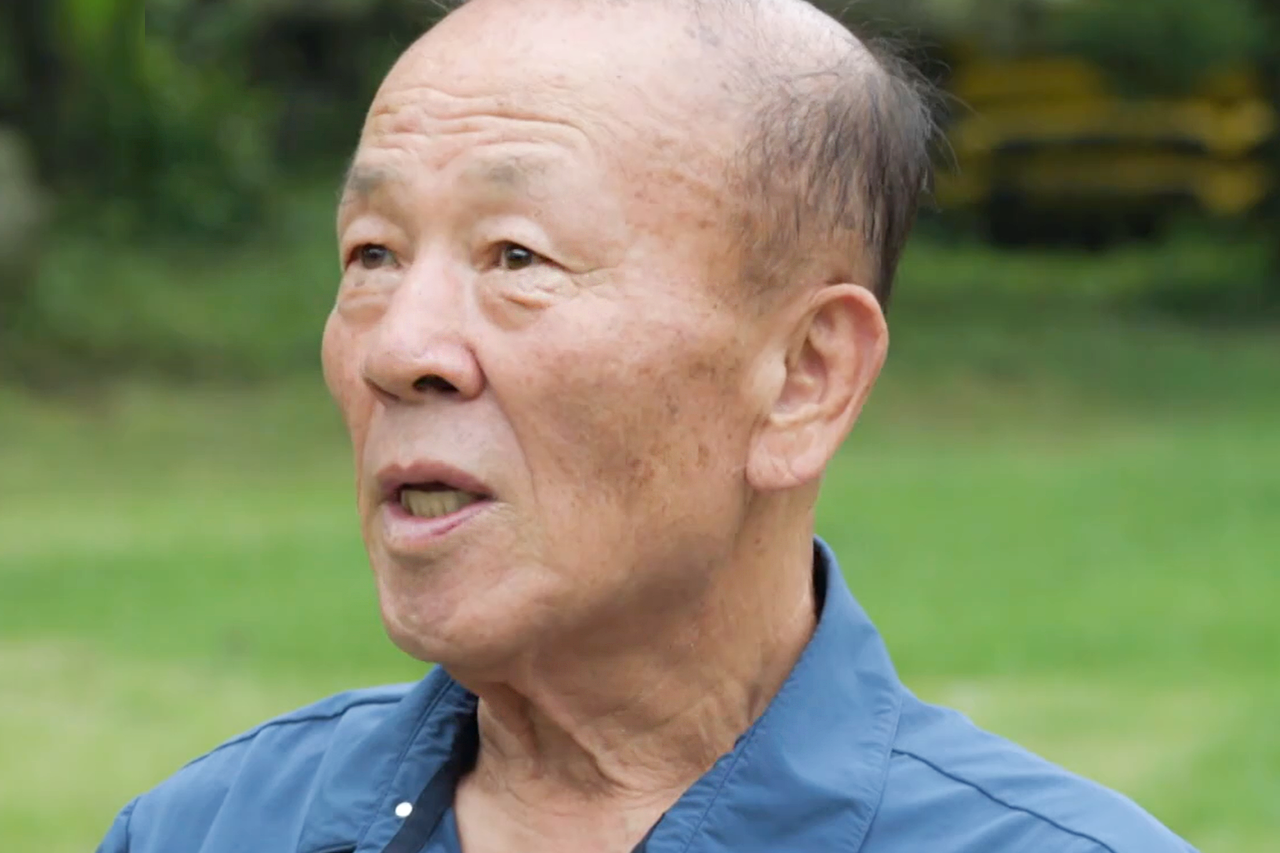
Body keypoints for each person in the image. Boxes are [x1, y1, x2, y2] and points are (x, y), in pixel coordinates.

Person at [97, 1, 1197, 851]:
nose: (397, 348)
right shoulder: (208, 828)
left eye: (516, 255)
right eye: (372, 253)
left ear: (803, 376)